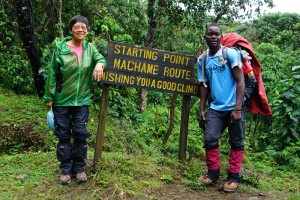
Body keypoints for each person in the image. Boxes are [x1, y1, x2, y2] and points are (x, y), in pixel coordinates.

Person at [43, 15, 107, 185]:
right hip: (62, 100)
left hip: (82, 100)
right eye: (77, 27)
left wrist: (99, 64)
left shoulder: (90, 48)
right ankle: (65, 170)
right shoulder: (60, 48)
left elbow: (101, 58)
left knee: (80, 134)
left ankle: (79, 169)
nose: (81, 30)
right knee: (63, 135)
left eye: (84, 27)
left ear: (87, 31)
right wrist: (49, 96)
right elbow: (52, 73)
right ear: (71, 30)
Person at [197, 23, 245, 192]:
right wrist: (202, 109)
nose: (213, 37)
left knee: (236, 142)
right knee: (210, 138)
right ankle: (213, 173)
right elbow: (204, 86)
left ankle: (233, 177)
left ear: (221, 36)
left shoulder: (230, 54)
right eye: (210, 34)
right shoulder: (202, 60)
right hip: (215, 108)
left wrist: (237, 109)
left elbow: (241, 81)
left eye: (217, 34)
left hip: (234, 106)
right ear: (205, 37)